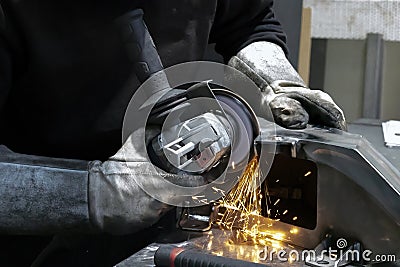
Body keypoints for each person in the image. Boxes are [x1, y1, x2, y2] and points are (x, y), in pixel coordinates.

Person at [0, 0, 346, 266]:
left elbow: (248, 23)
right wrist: (99, 194)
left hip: (165, 220)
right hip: (38, 241)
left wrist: (273, 78)